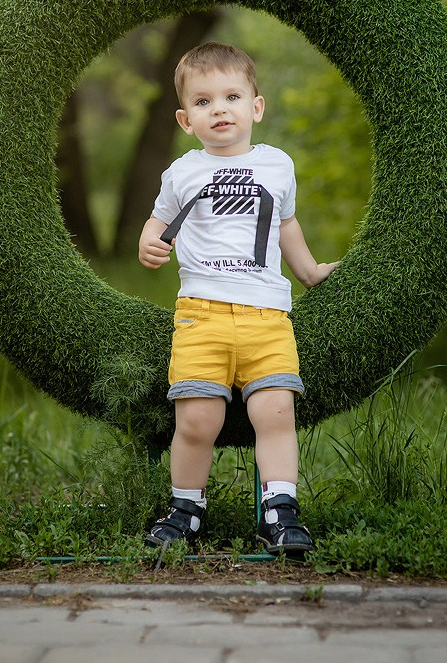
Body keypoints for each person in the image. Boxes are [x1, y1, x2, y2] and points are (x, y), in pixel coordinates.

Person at [138, 42, 339, 557]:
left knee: (275, 412)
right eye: (204, 102)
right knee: (196, 419)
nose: (219, 109)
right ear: (186, 120)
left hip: (267, 315)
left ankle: (280, 511)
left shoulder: (277, 165)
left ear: (256, 106)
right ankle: (185, 510)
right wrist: (149, 240)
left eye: (231, 96)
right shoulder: (183, 172)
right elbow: (159, 221)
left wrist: (311, 270)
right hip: (201, 315)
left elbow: (286, 224)